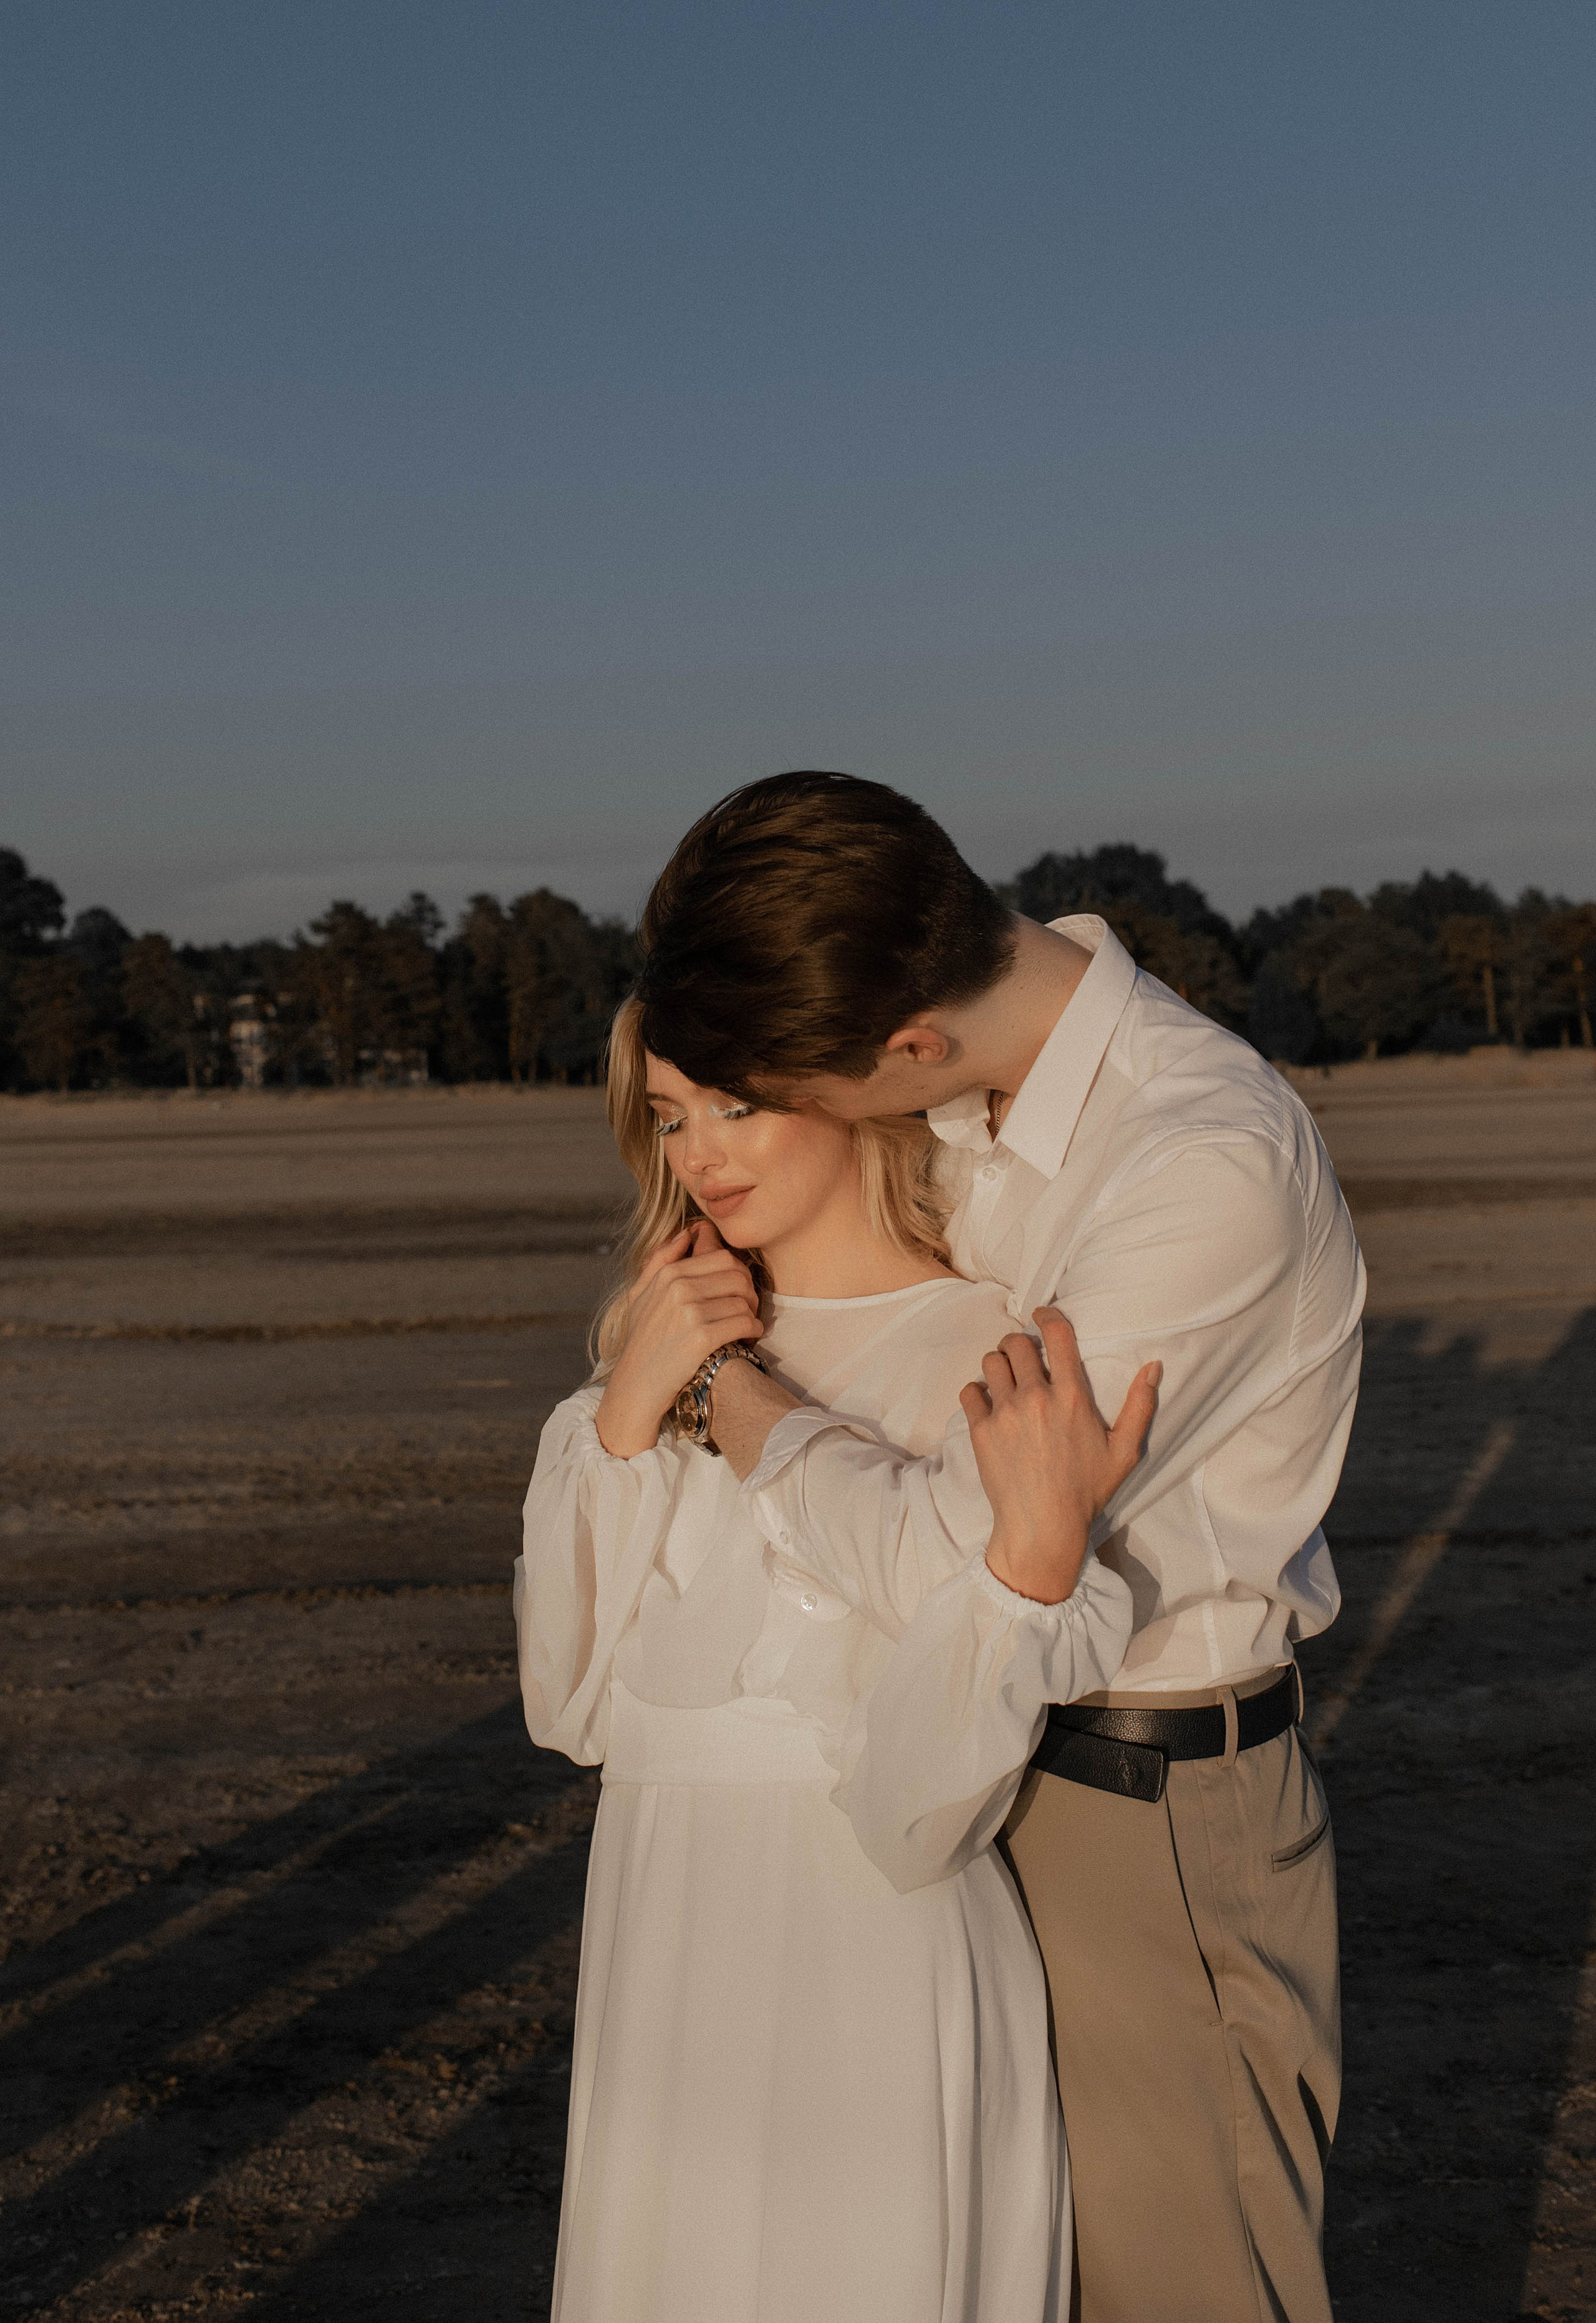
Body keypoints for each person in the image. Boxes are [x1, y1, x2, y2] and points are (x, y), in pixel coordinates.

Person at [633, 772, 1366, 2323]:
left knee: (1184, 2292)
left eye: (795, 1098)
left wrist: (728, 1396)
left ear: (902, 1046)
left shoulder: (1197, 1161)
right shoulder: (969, 1095)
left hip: (1139, 1808)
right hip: (962, 1779)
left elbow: (953, 1556)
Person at [515, 995, 1160, 2323]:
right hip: (664, 1923)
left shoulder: (992, 1346)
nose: (699, 1152)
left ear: (845, 1088)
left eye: (735, 1105)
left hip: (872, 1931)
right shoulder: (653, 1342)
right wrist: (632, 1399)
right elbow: (566, 1699)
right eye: (671, 1116)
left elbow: (936, 1778)